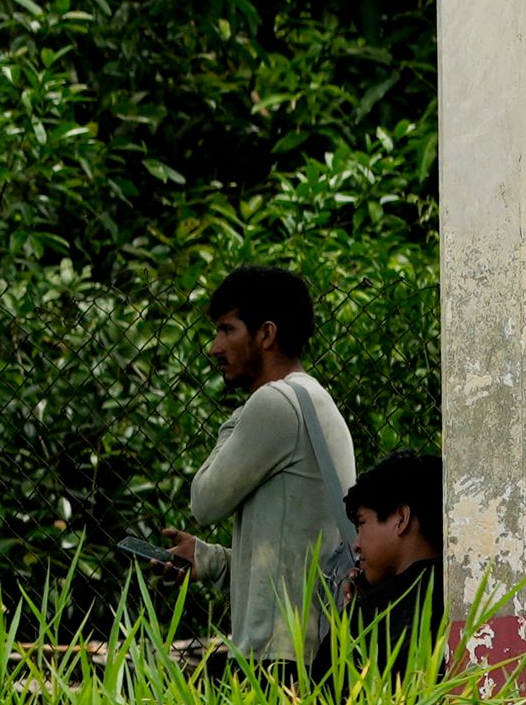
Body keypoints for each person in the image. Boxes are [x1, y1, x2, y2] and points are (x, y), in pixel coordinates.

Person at [161, 263, 360, 673]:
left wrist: (238, 416)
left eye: (227, 330)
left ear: (266, 334)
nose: (214, 347)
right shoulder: (314, 399)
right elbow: (297, 555)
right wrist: (210, 560)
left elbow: (204, 501)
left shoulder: (274, 403)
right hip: (312, 648)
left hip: (276, 657)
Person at [331, 451, 443, 679]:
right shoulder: (468, 600)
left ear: (401, 519)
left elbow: (321, 698)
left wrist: (354, 610)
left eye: (362, 523)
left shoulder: (365, 617)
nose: (356, 544)